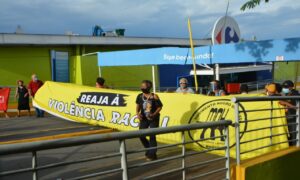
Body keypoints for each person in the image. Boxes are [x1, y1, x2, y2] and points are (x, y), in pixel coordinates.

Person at [136, 80, 163, 161]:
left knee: (152, 135)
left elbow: (160, 107)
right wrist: (137, 113)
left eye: (144, 86)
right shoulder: (139, 96)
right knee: (141, 135)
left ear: (148, 87)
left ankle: (152, 154)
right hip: (144, 118)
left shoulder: (154, 96)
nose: (142, 88)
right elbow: (137, 105)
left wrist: (154, 114)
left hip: (153, 118)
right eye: (141, 86)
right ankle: (149, 150)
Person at [281, 80, 299, 146]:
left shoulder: (295, 94)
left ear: (291, 87)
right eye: (284, 87)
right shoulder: (286, 93)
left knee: (293, 134)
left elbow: (297, 107)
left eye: (286, 87)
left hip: (293, 118)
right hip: (288, 117)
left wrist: (285, 103)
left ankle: (294, 148)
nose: (284, 89)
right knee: (289, 134)